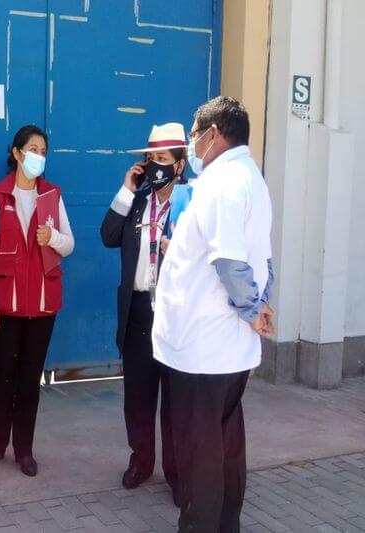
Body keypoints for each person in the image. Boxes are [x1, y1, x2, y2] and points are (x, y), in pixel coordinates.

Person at [152, 96, 275, 532]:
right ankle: (225, 525)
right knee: (225, 445)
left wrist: (250, 310)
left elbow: (229, 261)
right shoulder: (250, 179)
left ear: (214, 134)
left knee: (200, 452)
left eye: (194, 132)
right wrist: (259, 304)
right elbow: (262, 258)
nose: (191, 142)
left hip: (204, 348)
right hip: (224, 350)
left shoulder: (223, 183)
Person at [0, 125, 75, 477]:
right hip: (5, 306)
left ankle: (24, 449)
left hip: (42, 305)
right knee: (3, 376)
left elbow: (69, 244)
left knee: (30, 379)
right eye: (32, 149)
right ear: (17, 153)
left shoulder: (51, 195)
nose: (38, 156)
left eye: (43, 151)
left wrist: (53, 237)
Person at [101, 123, 188, 504]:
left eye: (163, 160)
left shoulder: (191, 203)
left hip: (173, 312)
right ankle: (141, 460)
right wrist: (126, 188)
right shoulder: (137, 199)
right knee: (137, 395)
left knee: (174, 399)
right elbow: (107, 236)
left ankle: (177, 471)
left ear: (180, 165)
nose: (155, 166)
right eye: (150, 159)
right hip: (137, 311)